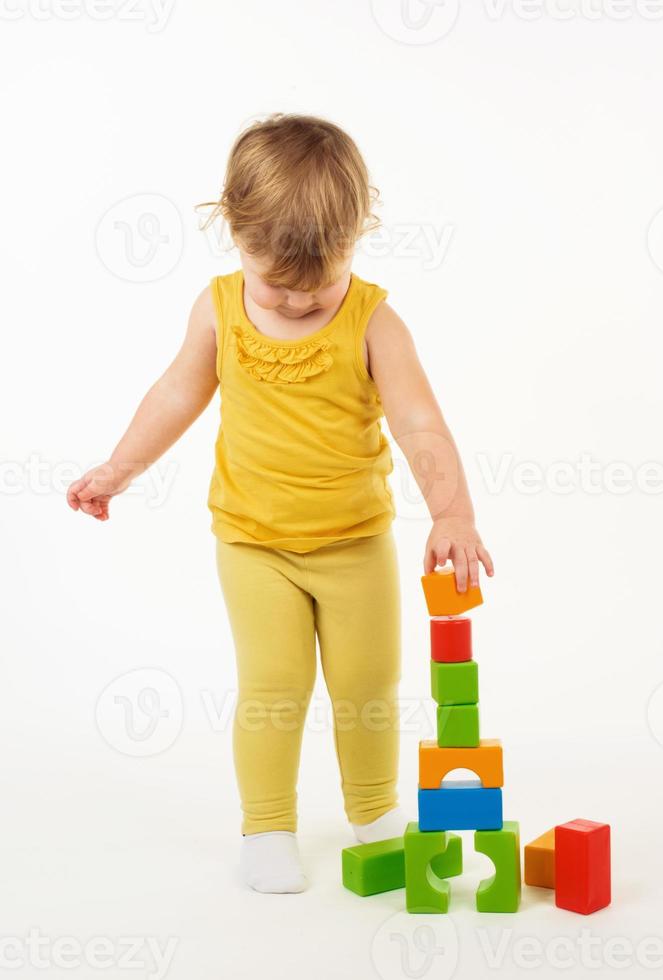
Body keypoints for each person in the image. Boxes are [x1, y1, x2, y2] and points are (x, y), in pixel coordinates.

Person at [67, 113, 494, 893]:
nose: (297, 305)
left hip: (356, 542)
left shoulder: (375, 321)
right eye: (277, 286)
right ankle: (266, 827)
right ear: (233, 232)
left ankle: (373, 812)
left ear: (359, 236)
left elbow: (420, 422)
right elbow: (176, 393)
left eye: (318, 285)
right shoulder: (219, 309)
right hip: (253, 543)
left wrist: (453, 512)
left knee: (368, 686)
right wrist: (118, 468)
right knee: (274, 689)